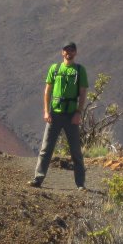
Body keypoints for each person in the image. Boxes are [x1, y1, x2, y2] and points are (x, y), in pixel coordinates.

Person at [29, 41, 88, 190]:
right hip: (54, 115)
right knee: (46, 149)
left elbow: (82, 93)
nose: (68, 53)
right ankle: (38, 179)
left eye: (71, 50)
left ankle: (80, 184)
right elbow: (47, 91)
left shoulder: (80, 70)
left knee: (75, 151)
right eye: (66, 50)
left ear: (76, 52)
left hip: (71, 116)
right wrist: (46, 111)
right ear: (62, 52)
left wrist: (78, 113)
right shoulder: (54, 69)